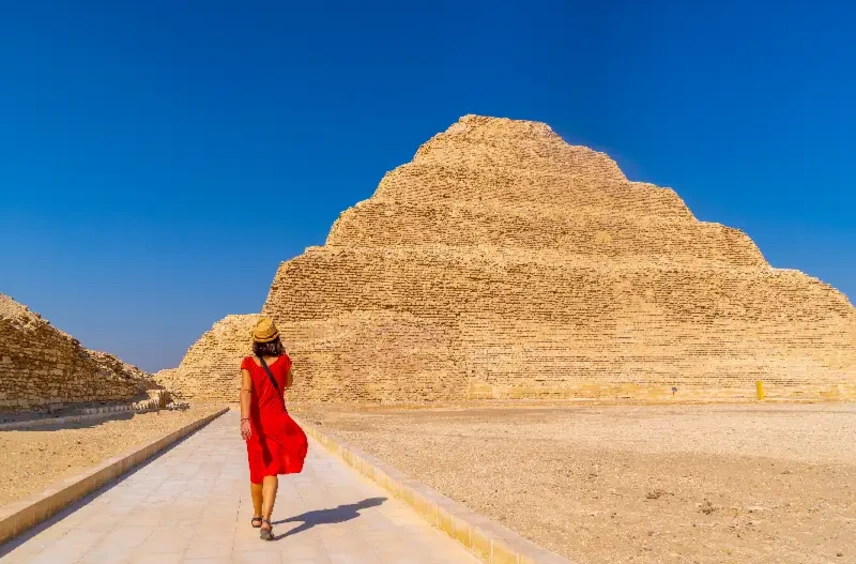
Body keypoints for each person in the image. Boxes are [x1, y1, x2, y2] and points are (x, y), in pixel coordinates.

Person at [239, 317, 308, 541]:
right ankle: (267, 521)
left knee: (256, 469)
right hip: (277, 420)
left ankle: (257, 515)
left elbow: (246, 391)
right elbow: (288, 383)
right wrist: (284, 360)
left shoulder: (248, 363)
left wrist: (245, 419)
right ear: (276, 339)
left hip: (256, 423)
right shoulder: (284, 360)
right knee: (271, 470)